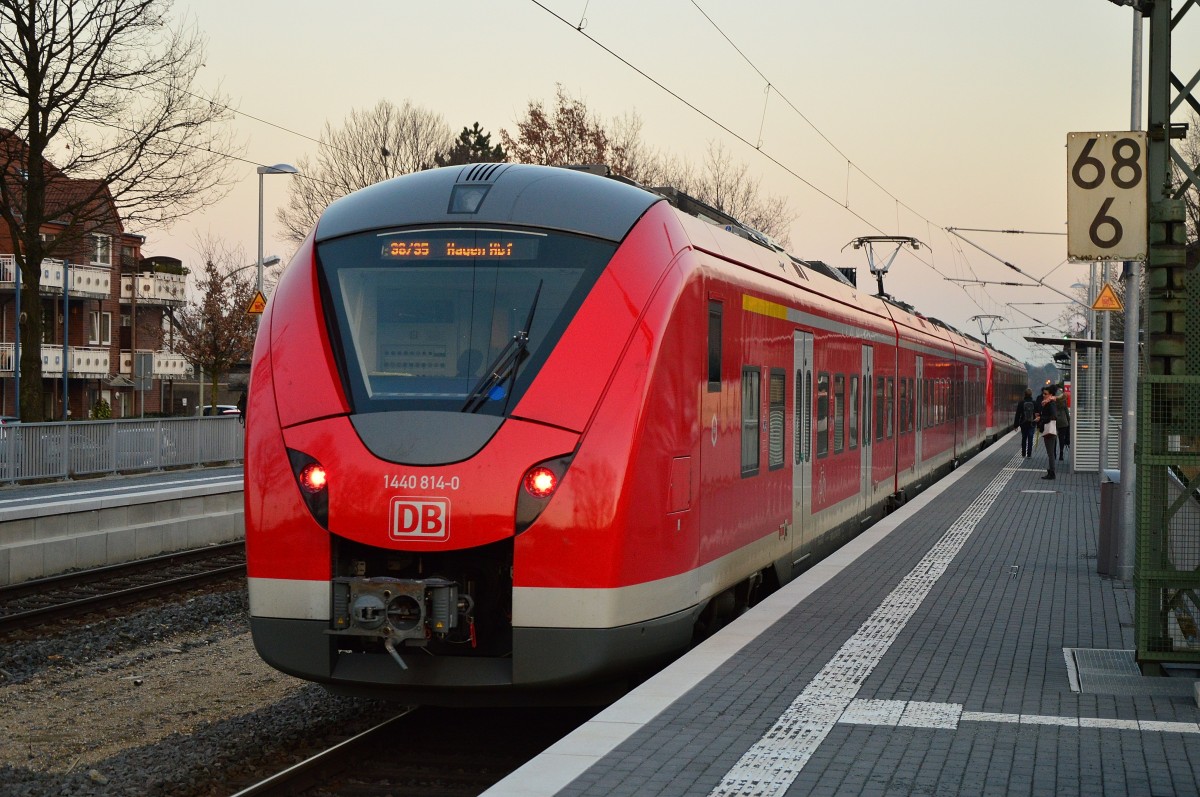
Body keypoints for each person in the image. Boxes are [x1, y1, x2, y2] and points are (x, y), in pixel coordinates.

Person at [1036, 386, 1058, 479]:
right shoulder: (1046, 403)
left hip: (1050, 431)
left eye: (1045, 394)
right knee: (1050, 453)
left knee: (1050, 453)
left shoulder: (1051, 404)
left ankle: (1052, 473)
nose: (1043, 395)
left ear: (1051, 394)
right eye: (1043, 393)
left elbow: (1053, 416)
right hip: (1047, 430)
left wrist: (1041, 418)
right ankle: (1051, 471)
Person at [1014, 388, 1037, 458]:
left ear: (1025, 394)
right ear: (1031, 394)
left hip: (1023, 423)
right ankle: (1029, 454)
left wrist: (1016, 425)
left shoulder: (1021, 403)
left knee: (1024, 437)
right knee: (1030, 437)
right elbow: (1037, 413)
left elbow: (1017, 414)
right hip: (1032, 423)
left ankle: (1023, 453)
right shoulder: (1034, 403)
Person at [1055, 388, 1071, 462]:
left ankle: (1054, 454)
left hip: (1055, 421)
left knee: (1054, 438)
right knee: (1061, 438)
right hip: (1063, 422)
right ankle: (1061, 454)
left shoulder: (1053, 401)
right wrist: (1068, 420)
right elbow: (1067, 413)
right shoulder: (1063, 402)